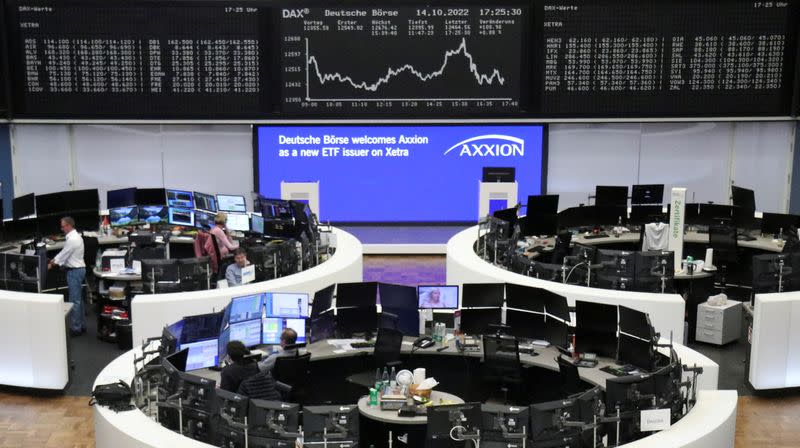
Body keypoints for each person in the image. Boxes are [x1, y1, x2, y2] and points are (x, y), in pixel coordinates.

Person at [48, 217, 86, 336]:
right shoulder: (73, 237)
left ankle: (76, 328)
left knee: (74, 301)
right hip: (78, 270)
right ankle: (82, 325)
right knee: (79, 300)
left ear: (69, 225)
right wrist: (54, 260)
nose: (61, 228)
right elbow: (63, 254)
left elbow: (63, 255)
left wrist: (51, 264)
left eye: (63, 226)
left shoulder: (73, 239)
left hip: (75, 271)